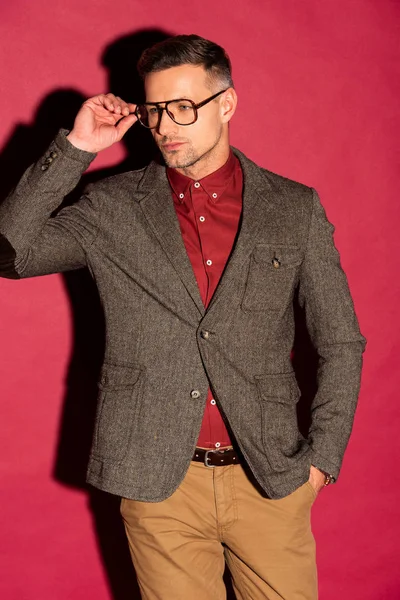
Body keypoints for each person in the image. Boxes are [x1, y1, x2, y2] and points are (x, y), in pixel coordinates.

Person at [0, 34, 366, 599]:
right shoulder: (112, 208)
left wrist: (322, 458)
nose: (166, 125)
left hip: (270, 477)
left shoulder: (294, 209)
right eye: (155, 110)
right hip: (156, 482)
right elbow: (11, 252)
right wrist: (76, 146)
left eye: (183, 107)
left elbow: (341, 341)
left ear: (227, 103)